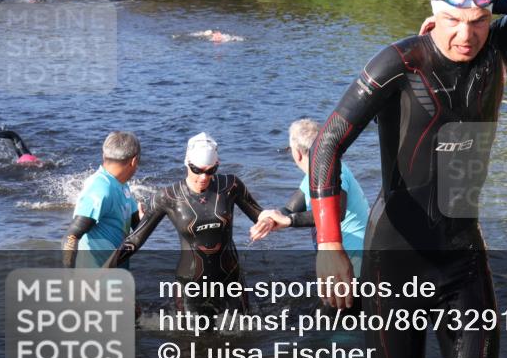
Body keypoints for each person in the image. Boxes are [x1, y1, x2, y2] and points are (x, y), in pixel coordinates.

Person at [307, 0, 507, 358]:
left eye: (479, 21)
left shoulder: (497, 50)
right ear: (433, 14)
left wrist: (483, 1)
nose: (466, 35)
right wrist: (330, 247)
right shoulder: (400, 63)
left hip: (463, 261)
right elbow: (326, 145)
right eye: (452, 21)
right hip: (394, 265)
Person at [104, 133, 276, 314]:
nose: (203, 177)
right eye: (197, 170)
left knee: (246, 330)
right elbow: (136, 239)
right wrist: (105, 269)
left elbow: (260, 214)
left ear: (217, 165)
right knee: (191, 333)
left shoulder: (230, 185)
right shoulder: (167, 196)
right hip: (190, 286)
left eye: (211, 171)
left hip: (231, 280)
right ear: (187, 164)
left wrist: (266, 221)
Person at [250, 118, 370, 276]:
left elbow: (337, 212)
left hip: (356, 263)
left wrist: (290, 220)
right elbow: (289, 209)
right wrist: (270, 219)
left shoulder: (336, 172)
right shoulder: (314, 175)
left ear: (297, 153)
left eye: (289, 149)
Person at [62, 131, 141, 268]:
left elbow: (137, 224)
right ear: (134, 161)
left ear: (104, 155)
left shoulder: (121, 184)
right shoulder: (100, 188)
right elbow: (71, 236)